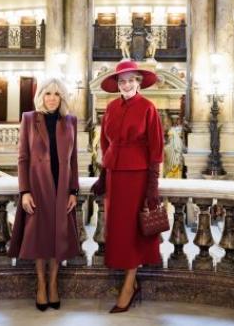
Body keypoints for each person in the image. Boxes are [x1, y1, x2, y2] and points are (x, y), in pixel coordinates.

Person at [91, 60, 163, 314]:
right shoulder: (110, 107)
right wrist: (102, 175)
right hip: (114, 175)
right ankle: (129, 283)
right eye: (122, 81)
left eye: (131, 80)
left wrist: (152, 187)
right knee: (118, 230)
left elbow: (156, 149)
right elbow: (104, 143)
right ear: (117, 84)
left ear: (138, 82)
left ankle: (129, 286)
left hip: (138, 176)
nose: (126, 84)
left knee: (133, 231)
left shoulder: (148, 107)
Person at [8, 77, 80, 311]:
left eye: (57, 94)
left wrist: (73, 190)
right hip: (38, 187)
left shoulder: (70, 121)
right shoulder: (29, 119)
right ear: (41, 96)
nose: (52, 98)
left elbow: (74, 159)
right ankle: (40, 284)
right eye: (48, 93)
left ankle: (53, 284)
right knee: (40, 237)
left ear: (62, 98)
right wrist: (25, 191)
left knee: (58, 237)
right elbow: (22, 158)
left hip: (62, 187)